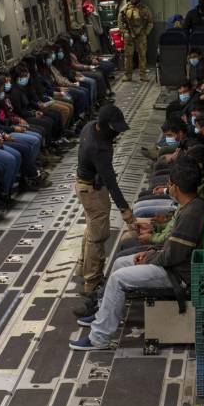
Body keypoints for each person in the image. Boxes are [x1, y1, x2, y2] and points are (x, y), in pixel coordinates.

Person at [70, 158, 204, 350]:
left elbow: (172, 256)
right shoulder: (192, 205)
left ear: (175, 187)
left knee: (118, 279)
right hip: (172, 263)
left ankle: (99, 338)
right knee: (120, 263)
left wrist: (149, 257)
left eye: (169, 184)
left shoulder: (192, 214)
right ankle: (104, 314)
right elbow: (171, 247)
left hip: (178, 274)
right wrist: (152, 251)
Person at [73, 104, 136, 316]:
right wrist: (125, 210)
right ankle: (92, 283)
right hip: (92, 190)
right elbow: (111, 182)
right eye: (115, 129)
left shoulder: (90, 126)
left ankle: (83, 267)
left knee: (92, 227)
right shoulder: (98, 148)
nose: (117, 133)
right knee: (98, 235)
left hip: (85, 184)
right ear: (107, 127)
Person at [117, 0, 154, 82]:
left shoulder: (145, 9)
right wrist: (124, 32)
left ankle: (143, 74)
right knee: (128, 56)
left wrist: (146, 32)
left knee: (142, 55)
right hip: (129, 35)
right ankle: (128, 75)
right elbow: (120, 21)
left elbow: (150, 22)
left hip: (141, 34)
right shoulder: (125, 9)